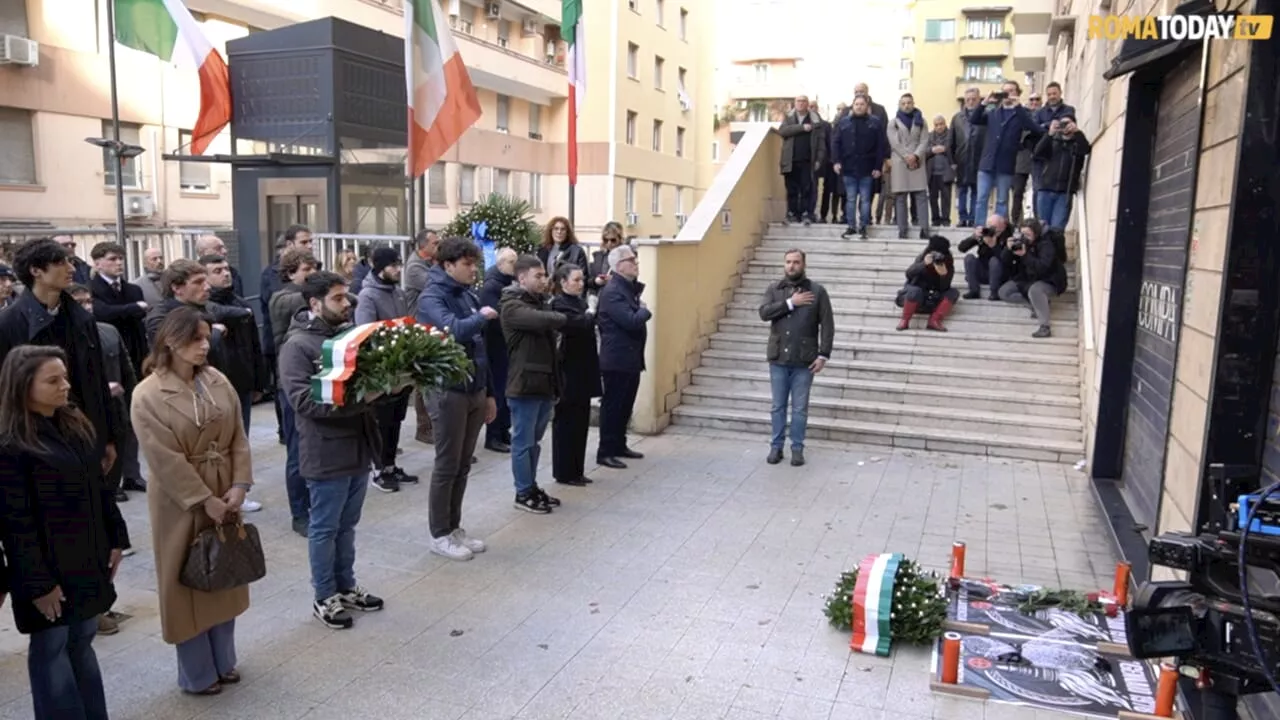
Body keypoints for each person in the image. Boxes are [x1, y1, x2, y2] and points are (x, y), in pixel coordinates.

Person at [130, 307, 254, 695]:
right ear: (170, 342)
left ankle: (224, 660)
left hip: (224, 486)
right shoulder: (147, 394)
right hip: (178, 499)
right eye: (195, 339)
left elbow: (238, 435)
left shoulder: (216, 379)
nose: (205, 346)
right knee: (185, 579)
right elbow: (162, 457)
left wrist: (239, 484)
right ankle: (198, 673)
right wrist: (204, 499)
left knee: (224, 571)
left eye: (206, 338)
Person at [0, 345, 125, 719]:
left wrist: (116, 537)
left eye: (65, 377)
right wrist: (38, 584)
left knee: (82, 640)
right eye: (53, 380)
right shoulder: (11, 444)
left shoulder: (71, 423)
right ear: (24, 386)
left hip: (86, 556)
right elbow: (14, 522)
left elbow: (99, 486)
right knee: (52, 646)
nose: (65, 386)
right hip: (48, 566)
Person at [279, 272, 386, 628]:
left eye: (347, 297)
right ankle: (324, 595)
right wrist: (360, 399)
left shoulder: (349, 336)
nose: (347, 304)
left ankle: (345, 585)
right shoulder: (298, 347)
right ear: (314, 304)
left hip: (357, 445)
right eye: (338, 299)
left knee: (347, 525)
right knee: (324, 528)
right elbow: (303, 402)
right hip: (325, 450)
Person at [0, 238, 120, 480]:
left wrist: (109, 437)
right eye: (60, 262)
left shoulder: (82, 320)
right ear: (36, 271)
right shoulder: (8, 323)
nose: (72, 268)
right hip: (34, 442)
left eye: (70, 261)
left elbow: (97, 381)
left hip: (85, 433)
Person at [417, 238, 497, 560]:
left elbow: (479, 348)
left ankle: (453, 528)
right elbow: (453, 330)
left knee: (463, 464)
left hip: (473, 388)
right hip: (446, 389)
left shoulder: (466, 293)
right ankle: (439, 534)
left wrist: (488, 393)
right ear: (448, 265)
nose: (473, 269)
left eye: (474, 263)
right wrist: (483, 316)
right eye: (467, 264)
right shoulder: (432, 296)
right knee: (447, 464)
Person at [501, 255, 571, 514]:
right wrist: (563, 316)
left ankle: (531, 486)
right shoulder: (511, 305)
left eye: (544, 275)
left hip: (544, 383)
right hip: (524, 385)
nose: (544, 280)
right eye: (538, 276)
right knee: (523, 441)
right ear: (522, 278)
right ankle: (523, 491)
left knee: (535, 441)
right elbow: (543, 320)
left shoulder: (540, 302)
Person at [757, 249, 834, 467]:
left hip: (804, 359)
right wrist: (791, 303)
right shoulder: (775, 289)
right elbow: (764, 313)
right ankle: (776, 447)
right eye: (788, 262)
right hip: (779, 357)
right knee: (777, 406)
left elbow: (827, 325)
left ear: (804, 265)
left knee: (800, 408)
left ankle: (797, 448)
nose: (792, 266)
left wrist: (823, 355)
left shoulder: (817, 292)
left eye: (796, 262)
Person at [355, 247, 417, 493]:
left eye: (398, 264)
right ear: (380, 268)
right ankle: (378, 469)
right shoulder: (367, 296)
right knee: (381, 421)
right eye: (393, 265)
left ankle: (390, 465)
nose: (397, 269)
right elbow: (365, 331)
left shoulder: (398, 293)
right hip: (381, 368)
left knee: (396, 419)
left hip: (399, 369)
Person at [595, 244, 650, 469]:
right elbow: (630, 320)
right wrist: (645, 311)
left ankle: (619, 444)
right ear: (619, 266)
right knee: (613, 405)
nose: (636, 264)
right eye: (631, 260)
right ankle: (606, 450)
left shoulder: (627, 288)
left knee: (626, 404)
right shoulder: (613, 292)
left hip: (630, 358)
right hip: (616, 359)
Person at [550, 264, 601, 488]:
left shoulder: (578, 302)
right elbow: (580, 325)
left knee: (581, 421)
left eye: (582, 280)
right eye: (576, 280)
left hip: (584, 368)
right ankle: (564, 471)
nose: (581, 284)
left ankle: (577, 469)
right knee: (566, 421)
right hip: (568, 371)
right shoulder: (560, 304)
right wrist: (591, 311)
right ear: (563, 283)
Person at [967, 81, 1041, 219]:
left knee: (1002, 200)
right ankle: (979, 229)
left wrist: (1017, 106)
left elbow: (1032, 127)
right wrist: (985, 102)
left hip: (1006, 164)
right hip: (987, 162)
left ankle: (999, 231)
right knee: (981, 199)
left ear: (1017, 93)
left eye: (1011, 90)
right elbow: (974, 119)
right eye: (1005, 91)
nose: (1008, 94)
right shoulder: (993, 111)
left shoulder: (1022, 113)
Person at [996, 218, 1067, 338]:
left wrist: (1025, 255)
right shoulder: (1021, 243)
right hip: (1026, 278)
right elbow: (1004, 261)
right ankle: (1036, 304)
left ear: (1036, 233)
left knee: (1035, 290)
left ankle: (1045, 327)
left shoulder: (1046, 245)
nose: (1025, 237)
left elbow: (1042, 267)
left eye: (1028, 234)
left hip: (1049, 280)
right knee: (1004, 292)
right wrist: (1008, 249)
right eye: (1023, 234)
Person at [88, 241, 149, 377]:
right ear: (97, 264)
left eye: (121, 258)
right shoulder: (90, 289)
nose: (119, 263)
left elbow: (139, 320)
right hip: (109, 353)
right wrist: (135, 307)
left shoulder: (134, 290)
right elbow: (103, 313)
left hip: (136, 352)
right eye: (112, 259)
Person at [478, 248, 518, 454]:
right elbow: (495, 316)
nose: (515, 265)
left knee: (506, 389)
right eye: (512, 262)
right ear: (501, 264)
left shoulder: (506, 283)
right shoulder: (492, 286)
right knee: (498, 388)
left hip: (504, 344)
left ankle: (503, 430)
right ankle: (493, 435)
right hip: (495, 345)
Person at [831, 94, 888, 240]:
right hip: (849, 167)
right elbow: (836, 143)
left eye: (862, 104)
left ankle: (863, 226)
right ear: (853, 106)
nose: (859, 107)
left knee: (865, 199)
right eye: (856, 104)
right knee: (850, 199)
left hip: (868, 168)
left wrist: (878, 166)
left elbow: (881, 146)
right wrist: (836, 161)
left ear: (867, 106)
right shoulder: (844, 123)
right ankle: (851, 226)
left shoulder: (875, 123)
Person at [1033, 112, 1091, 231]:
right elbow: (1037, 153)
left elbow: (1086, 149)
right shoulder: (1052, 140)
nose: (1065, 126)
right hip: (1045, 189)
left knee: (1057, 230)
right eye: (1062, 123)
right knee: (1042, 228)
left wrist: (1078, 132)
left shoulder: (1077, 142)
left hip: (1065, 192)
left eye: (1068, 123)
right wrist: (1049, 134)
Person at [777, 95, 827, 225]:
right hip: (790, 161)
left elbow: (821, 143)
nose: (801, 103)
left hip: (807, 161)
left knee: (806, 188)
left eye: (804, 101)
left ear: (807, 104)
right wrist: (801, 128)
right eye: (798, 101)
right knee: (791, 189)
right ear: (795, 103)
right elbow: (782, 131)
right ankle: (792, 213)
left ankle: (806, 214)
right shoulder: (789, 117)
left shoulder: (815, 120)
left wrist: (818, 160)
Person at [887, 93, 931, 240]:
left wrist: (916, 155)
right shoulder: (893, 123)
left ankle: (924, 228)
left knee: (921, 196)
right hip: (900, 161)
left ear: (913, 104)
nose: (907, 105)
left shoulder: (922, 121)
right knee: (900, 197)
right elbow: (894, 143)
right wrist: (907, 156)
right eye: (904, 103)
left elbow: (925, 140)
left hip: (918, 162)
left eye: (909, 103)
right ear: (900, 105)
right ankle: (902, 229)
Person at [895, 236, 959, 332]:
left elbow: (945, 288)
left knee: (953, 293)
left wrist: (943, 275)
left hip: (934, 298)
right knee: (914, 290)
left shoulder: (947, 262)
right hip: (917, 296)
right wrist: (923, 264)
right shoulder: (922, 257)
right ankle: (905, 320)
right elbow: (909, 274)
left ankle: (934, 320)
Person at [957, 213, 1013, 300]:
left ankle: (994, 292)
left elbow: (1006, 260)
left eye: (994, 227)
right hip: (983, 271)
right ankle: (974, 290)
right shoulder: (984, 234)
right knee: (969, 258)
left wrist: (994, 246)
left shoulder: (1008, 238)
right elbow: (961, 248)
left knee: (994, 260)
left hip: (999, 274)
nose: (991, 229)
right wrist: (974, 237)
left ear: (1003, 226)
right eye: (989, 226)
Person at [950, 88, 984, 227]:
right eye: (968, 99)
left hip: (979, 159)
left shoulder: (985, 116)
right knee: (962, 190)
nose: (970, 102)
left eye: (973, 99)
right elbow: (951, 141)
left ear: (979, 100)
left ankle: (973, 218)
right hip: (961, 160)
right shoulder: (957, 118)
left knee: (976, 190)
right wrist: (952, 161)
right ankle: (963, 217)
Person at [926, 114, 956, 227]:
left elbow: (953, 150)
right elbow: (925, 151)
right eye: (936, 125)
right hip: (932, 173)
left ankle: (945, 220)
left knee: (946, 198)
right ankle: (935, 219)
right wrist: (933, 150)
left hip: (946, 172)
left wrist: (945, 149)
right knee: (933, 198)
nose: (939, 127)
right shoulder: (929, 136)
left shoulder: (951, 136)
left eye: (941, 124)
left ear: (945, 124)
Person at [588, 224, 623, 297]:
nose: (609, 243)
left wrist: (614, 280)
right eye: (606, 240)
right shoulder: (598, 256)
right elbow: (588, 281)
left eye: (613, 240)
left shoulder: (626, 257)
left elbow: (632, 282)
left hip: (618, 297)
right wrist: (596, 281)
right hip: (599, 297)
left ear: (620, 239)